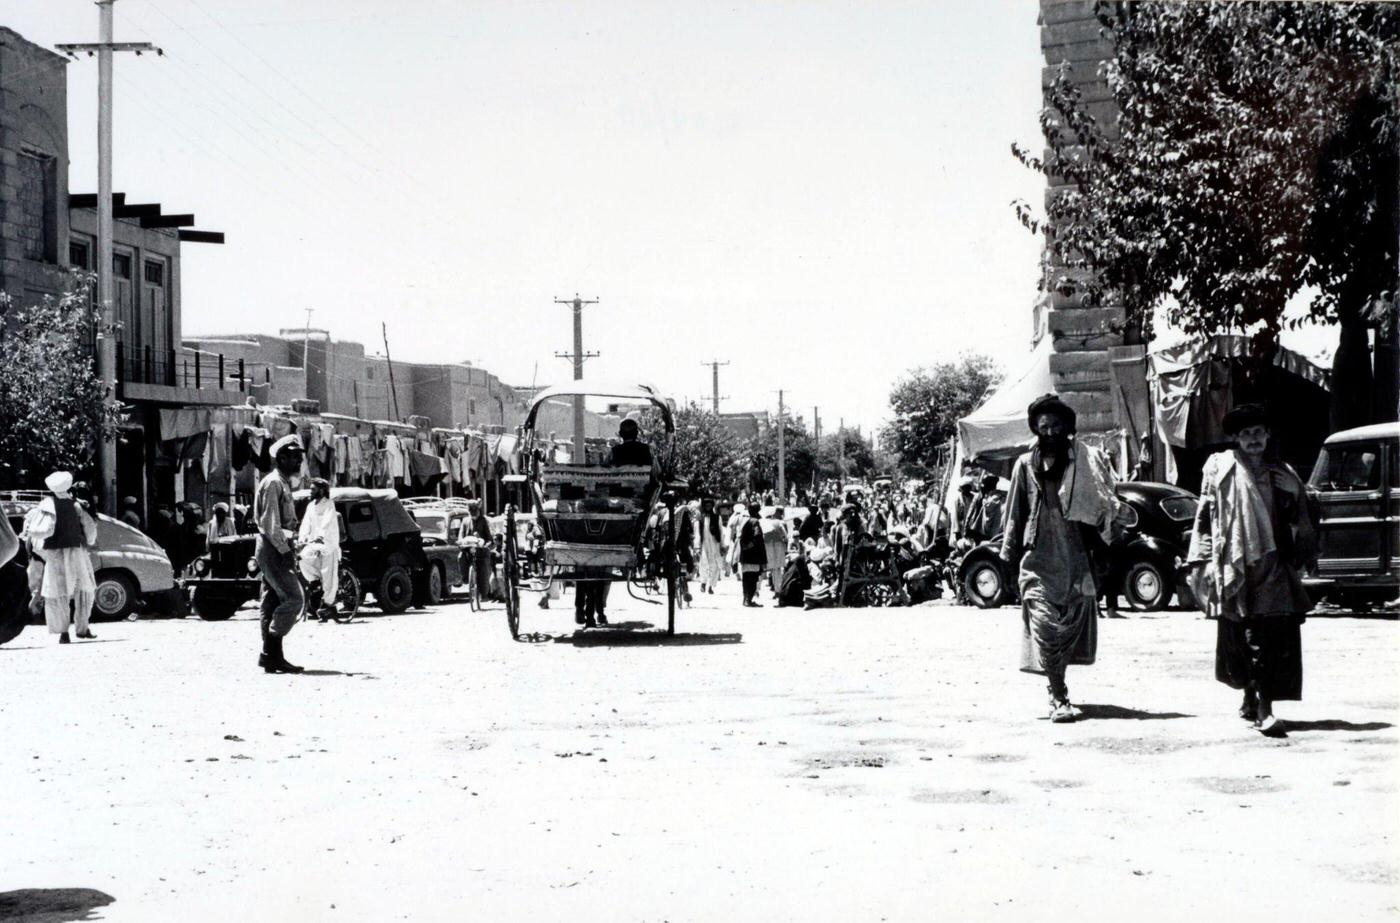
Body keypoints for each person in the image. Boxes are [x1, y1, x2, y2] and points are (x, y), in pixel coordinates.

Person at [1186, 403, 1315, 738]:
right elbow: (1204, 516)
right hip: (1235, 562)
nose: (1254, 439)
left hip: (1273, 566)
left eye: (1259, 432)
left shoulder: (1283, 472)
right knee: (1242, 634)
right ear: (1236, 439)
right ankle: (1249, 694)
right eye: (1246, 434)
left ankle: (1265, 709)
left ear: (1268, 434)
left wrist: (1296, 492)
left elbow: (1304, 516)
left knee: (1269, 636)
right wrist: (1199, 561)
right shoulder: (1220, 468)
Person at [1001, 394, 1122, 723]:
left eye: (1057, 425)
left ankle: (1058, 681)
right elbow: (1015, 512)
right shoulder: (1025, 466)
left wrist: (1107, 548)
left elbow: (1107, 504)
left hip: (1076, 557)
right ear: (1036, 429)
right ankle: (1058, 694)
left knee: (1068, 626)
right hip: (1038, 560)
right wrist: (1009, 557)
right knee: (1045, 627)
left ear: (1068, 427)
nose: (1051, 430)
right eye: (1044, 426)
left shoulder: (1085, 461)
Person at [24, 472, 98, 644]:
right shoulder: (77, 505)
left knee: (58, 591)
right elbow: (90, 530)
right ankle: (82, 628)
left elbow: (43, 530)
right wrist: (88, 540)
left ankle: (63, 632)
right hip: (77, 551)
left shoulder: (47, 505)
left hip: (55, 553)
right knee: (85, 588)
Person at [254, 435, 307, 674]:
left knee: (272, 602)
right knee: (295, 599)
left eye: (300, 457)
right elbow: (270, 524)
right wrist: (285, 551)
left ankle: (272, 657)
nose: (299, 462)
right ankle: (270, 652)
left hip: (277, 546)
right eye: (294, 457)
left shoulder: (283, 483)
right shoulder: (274, 483)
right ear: (281, 458)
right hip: (274, 547)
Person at [297, 478, 342, 621]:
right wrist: (302, 539)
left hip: (327, 544)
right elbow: (306, 523)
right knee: (302, 558)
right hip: (313, 543)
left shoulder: (329, 504)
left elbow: (327, 522)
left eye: (313, 489)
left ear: (321, 490)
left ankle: (328, 605)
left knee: (328, 574)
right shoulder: (310, 506)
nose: (311, 491)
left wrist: (321, 536)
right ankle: (315, 580)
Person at [737, 503, 768, 607]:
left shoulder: (745, 521)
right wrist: (752, 545)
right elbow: (757, 535)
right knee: (753, 579)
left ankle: (745, 600)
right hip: (754, 556)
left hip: (745, 556)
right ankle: (748, 600)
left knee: (746, 578)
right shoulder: (755, 522)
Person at [695, 498, 727, 594]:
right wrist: (697, 546)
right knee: (704, 563)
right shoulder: (700, 519)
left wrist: (722, 545)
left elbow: (721, 532)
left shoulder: (717, 517)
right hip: (704, 544)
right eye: (706, 505)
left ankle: (710, 585)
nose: (708, 507)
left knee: (714, 565)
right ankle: (703, 583)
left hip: (715, 544)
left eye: (710, 505)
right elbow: (697, 533)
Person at [965, 474, 1005, 543]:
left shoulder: (985, 498)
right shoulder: (998, 499)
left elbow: (970, 512)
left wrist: (967, 525)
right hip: (987, 531)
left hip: (977, 528)